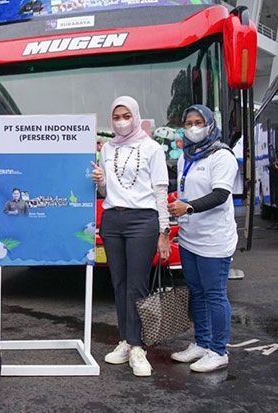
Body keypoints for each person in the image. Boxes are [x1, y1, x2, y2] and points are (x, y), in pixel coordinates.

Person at [91, 96, 170, 377]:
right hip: (112, 219)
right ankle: (125, 340)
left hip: (143, 221)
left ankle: (138, 347)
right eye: (116, 117)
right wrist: (100, 181)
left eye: (126, 116)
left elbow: (160, 193)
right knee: (119, 283)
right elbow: (105, 192)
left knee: (137, 285)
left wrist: (164, 233)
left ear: (135, 116)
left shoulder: (152, 148)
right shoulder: (107, 149)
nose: (122, 122)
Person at [168, 104, 238, 373]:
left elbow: (221, 195)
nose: (193, 128)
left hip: (214, 240)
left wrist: (189, 207)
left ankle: (219, 350)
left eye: (199, 122)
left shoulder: (221, 156)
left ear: (210, 125)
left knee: (214, 294)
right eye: (188, 123)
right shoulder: (187, 156)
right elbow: (186, 190)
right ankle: (202, 342)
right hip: (190, 237)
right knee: (196, 292)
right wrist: (177, 202)